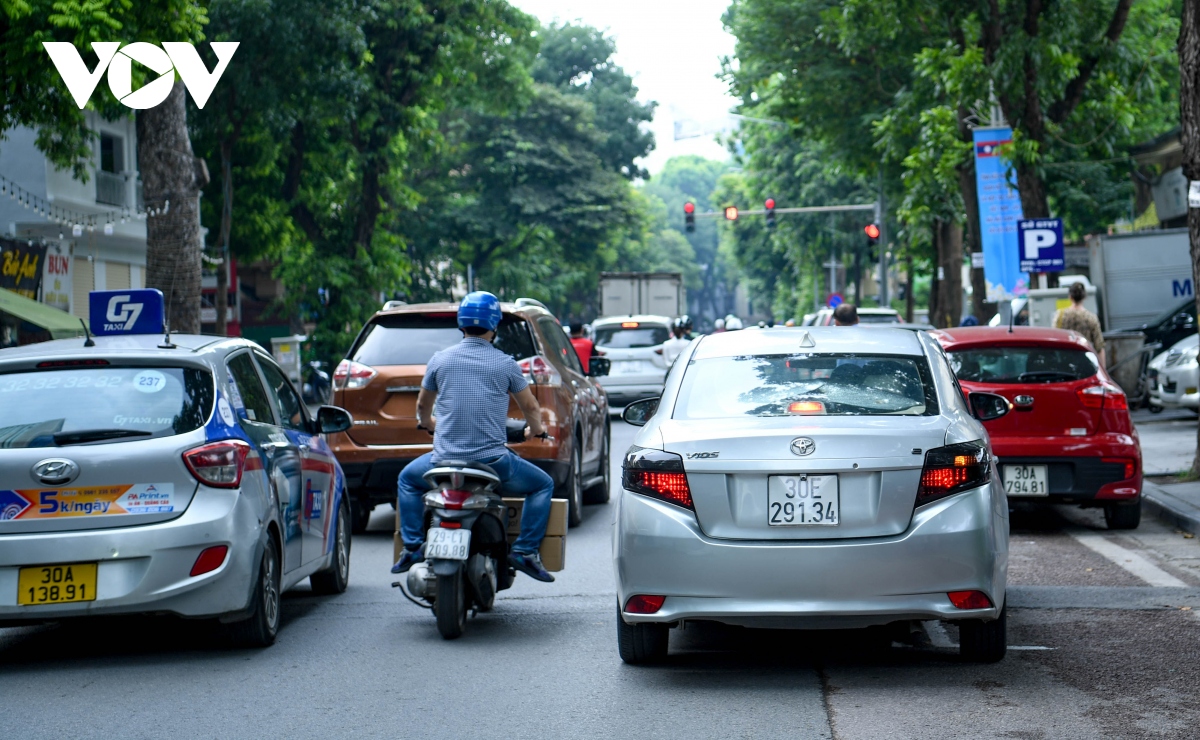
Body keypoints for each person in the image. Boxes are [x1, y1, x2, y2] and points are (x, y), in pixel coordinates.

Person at [392, 291, 556, 582]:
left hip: (442, 462)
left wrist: (427, 422)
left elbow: (422, 405)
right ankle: (525, 551)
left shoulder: (439, 360)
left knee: (407, 479)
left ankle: (414, 547)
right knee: (543, 485)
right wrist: (538, 430)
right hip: (492, 463)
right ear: (494, 326)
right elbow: (530, 406)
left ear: (461, 324)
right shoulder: (506, 364)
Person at [1055, 281, 1106, 367]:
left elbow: (1055, 341)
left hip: (1065, 363)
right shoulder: (1091, 318)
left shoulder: (1060, 316)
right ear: (1084, 297)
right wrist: (1103, 370)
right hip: (1086, 364)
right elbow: (1099, 347)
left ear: (1070, 297)